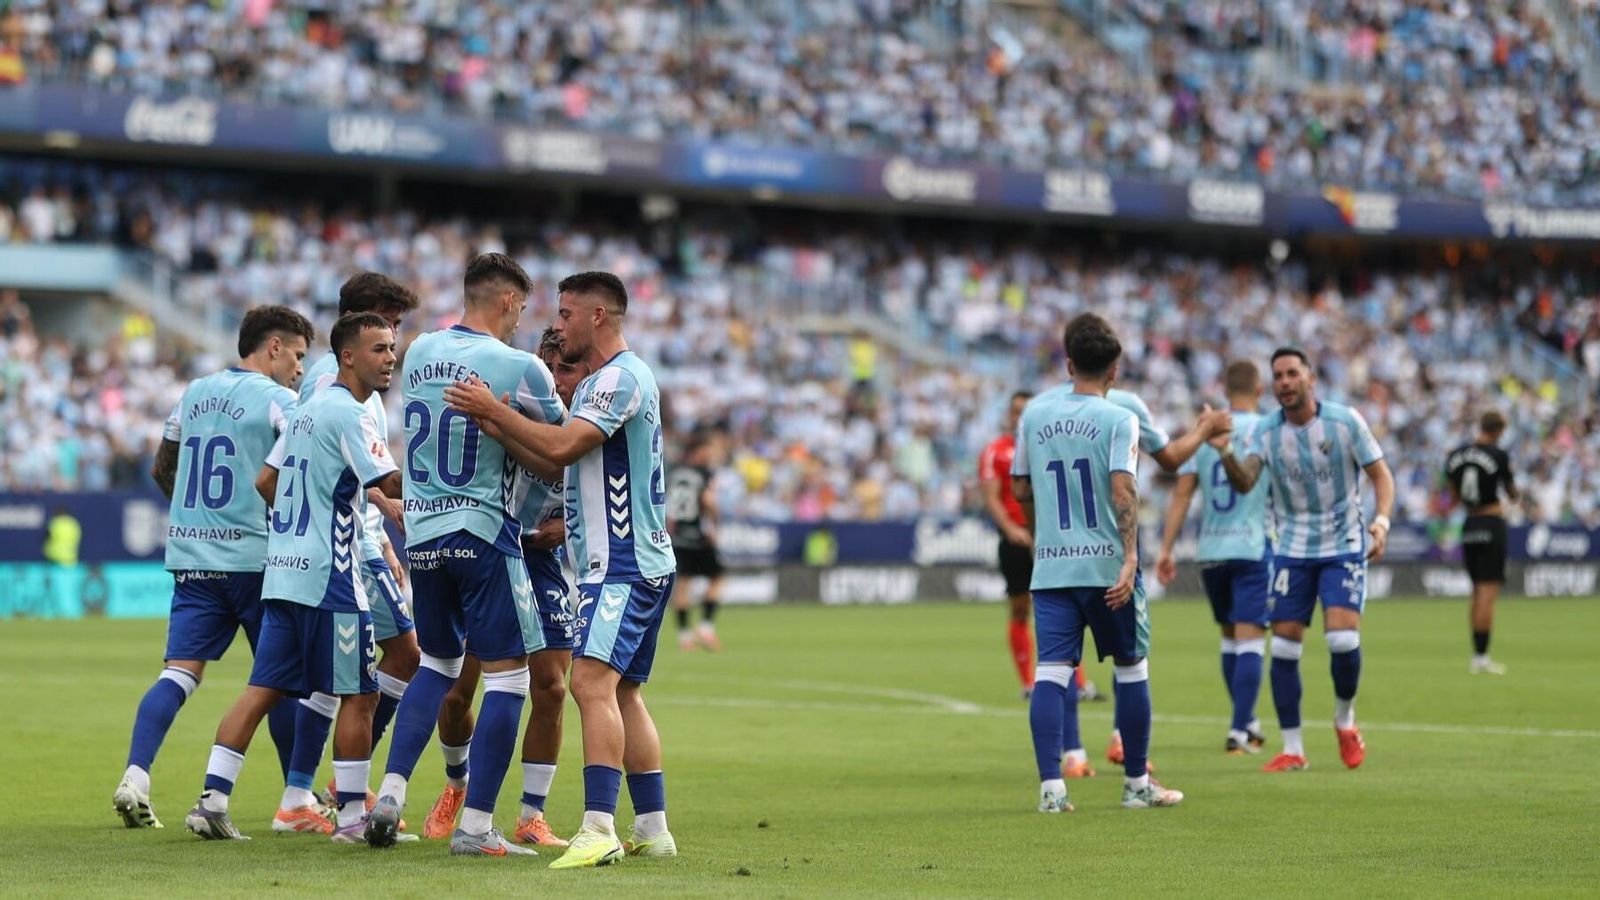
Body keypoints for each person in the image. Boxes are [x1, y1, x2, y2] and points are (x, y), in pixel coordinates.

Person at [443, 271, 676, 869]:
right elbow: (555, 463)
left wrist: (495, 408)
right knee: (624, 691)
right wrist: (495, 424)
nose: (558, 324)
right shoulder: (620, 380)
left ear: (597, 317)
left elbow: (559, 447)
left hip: (619, 563)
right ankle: (652, 826)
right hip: (633, 561)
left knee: (589, 685)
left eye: (567, 314)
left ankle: (598, 826)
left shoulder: (615, 379)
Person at [364, 254, 566, 857]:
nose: (520, 320)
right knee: (510, 680)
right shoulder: (519, 367)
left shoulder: (420, 350)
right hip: (482, 530)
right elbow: (557, 452)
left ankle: (393, 793)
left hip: (422, 533)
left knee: (438, 666)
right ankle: (477, 827)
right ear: (508, 301)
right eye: (522, 308)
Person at [183, 312, 402, 842]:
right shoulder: (352, 413)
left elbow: (265, 480)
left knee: (262, 689)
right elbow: (390, 480)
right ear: (347, 356)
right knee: (360, 694)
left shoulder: (305, 410)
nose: (390, 357)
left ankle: (211, 800)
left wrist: (295, 522)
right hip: (332, 576)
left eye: (392, 348)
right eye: (378, 348)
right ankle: (350, 818)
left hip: (282, 572)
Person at [112, 305, 313, 830]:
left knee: (179, 673)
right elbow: (301, 468)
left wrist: (193, 517)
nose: (299, 368)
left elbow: (162, 467)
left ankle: (135, 775)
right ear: (272, 347)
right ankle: (297, 798)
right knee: (279, 679)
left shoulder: (194, 393)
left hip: (193, 557)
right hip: (253, 560)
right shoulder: (279, 401)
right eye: (296, 355)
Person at [422, 328, 588, 848]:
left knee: (552, 688)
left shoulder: (585, 422)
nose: (562, 381)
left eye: (571, 371)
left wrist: (572, 526)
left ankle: (531, 815)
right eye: (555, 370)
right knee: (456, 695)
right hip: (491, 554)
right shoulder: (512, 404)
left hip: (544, 564)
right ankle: (456, 784)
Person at [1012, 313, 1183, 813]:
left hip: (1052, 566)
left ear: (1068, 364)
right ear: (1114, 370)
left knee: (1051, 674)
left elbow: (1020, 487)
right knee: (1131, 668)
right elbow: (1123, 489)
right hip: (1107, 567)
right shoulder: (1118, 418)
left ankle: (1051, 790)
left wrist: (1043, 534)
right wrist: (1130, 557)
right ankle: (1135, 785)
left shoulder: (1035, 416)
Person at [274, 272, 423, 835]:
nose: (396, 342)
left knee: (328, 677)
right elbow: (320, 462)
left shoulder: (336, 382)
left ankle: (304, 793)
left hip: (352, 536)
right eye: (389, 327)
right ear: (363, 326)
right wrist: (370, 525)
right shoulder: (337, 389)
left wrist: (379, 520)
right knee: (398, 658)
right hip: (342, 548)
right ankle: (339, 792)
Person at [1214, 347, 1395, 772]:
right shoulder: (1264, 431)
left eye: (1292, 373)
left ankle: (1344, 719)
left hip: (1343, 544)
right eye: (1277, 376)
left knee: (1342, 640)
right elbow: (1246, 483)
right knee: (1284, 648)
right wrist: (1224, 451)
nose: (1284, 382)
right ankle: (1293, 749)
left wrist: (1382, 522)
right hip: (1292, 549)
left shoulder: (1344, 421)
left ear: (1311, 379)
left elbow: (1381, 474)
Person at [1155, 361, 1271, 755]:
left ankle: (1248, 720)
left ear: (1224, 389)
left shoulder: (1202, 434)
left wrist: (1167, 548)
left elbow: (1183, 494)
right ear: (1259, 390)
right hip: (1253, 545)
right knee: (1251, 638)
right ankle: (1239, 730)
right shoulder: (1266, 429)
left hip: (1212, 550)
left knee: (1229, 638)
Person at [1444, 410, 1519, 675]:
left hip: (1469, 524)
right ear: (1499, 430)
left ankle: (1477, 654)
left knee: (1476, 593)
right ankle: (1481, 656)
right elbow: (1512, 493)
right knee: (1488, 594)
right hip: (1491, 521)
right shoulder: (1498, 455)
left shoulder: (1454, 456)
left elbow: (1452, 497)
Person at [666, 431, 727, 652]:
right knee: (718, 578)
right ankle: (705, 627)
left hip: (678, 536)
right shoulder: (704, 473)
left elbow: (668, 506)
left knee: (682, 586)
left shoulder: (674, 472)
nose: (711, 454)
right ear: (700, 450)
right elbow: (709, 502)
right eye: (708, 449)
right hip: (698, 535)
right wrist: (713, 524)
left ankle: (684, 636)